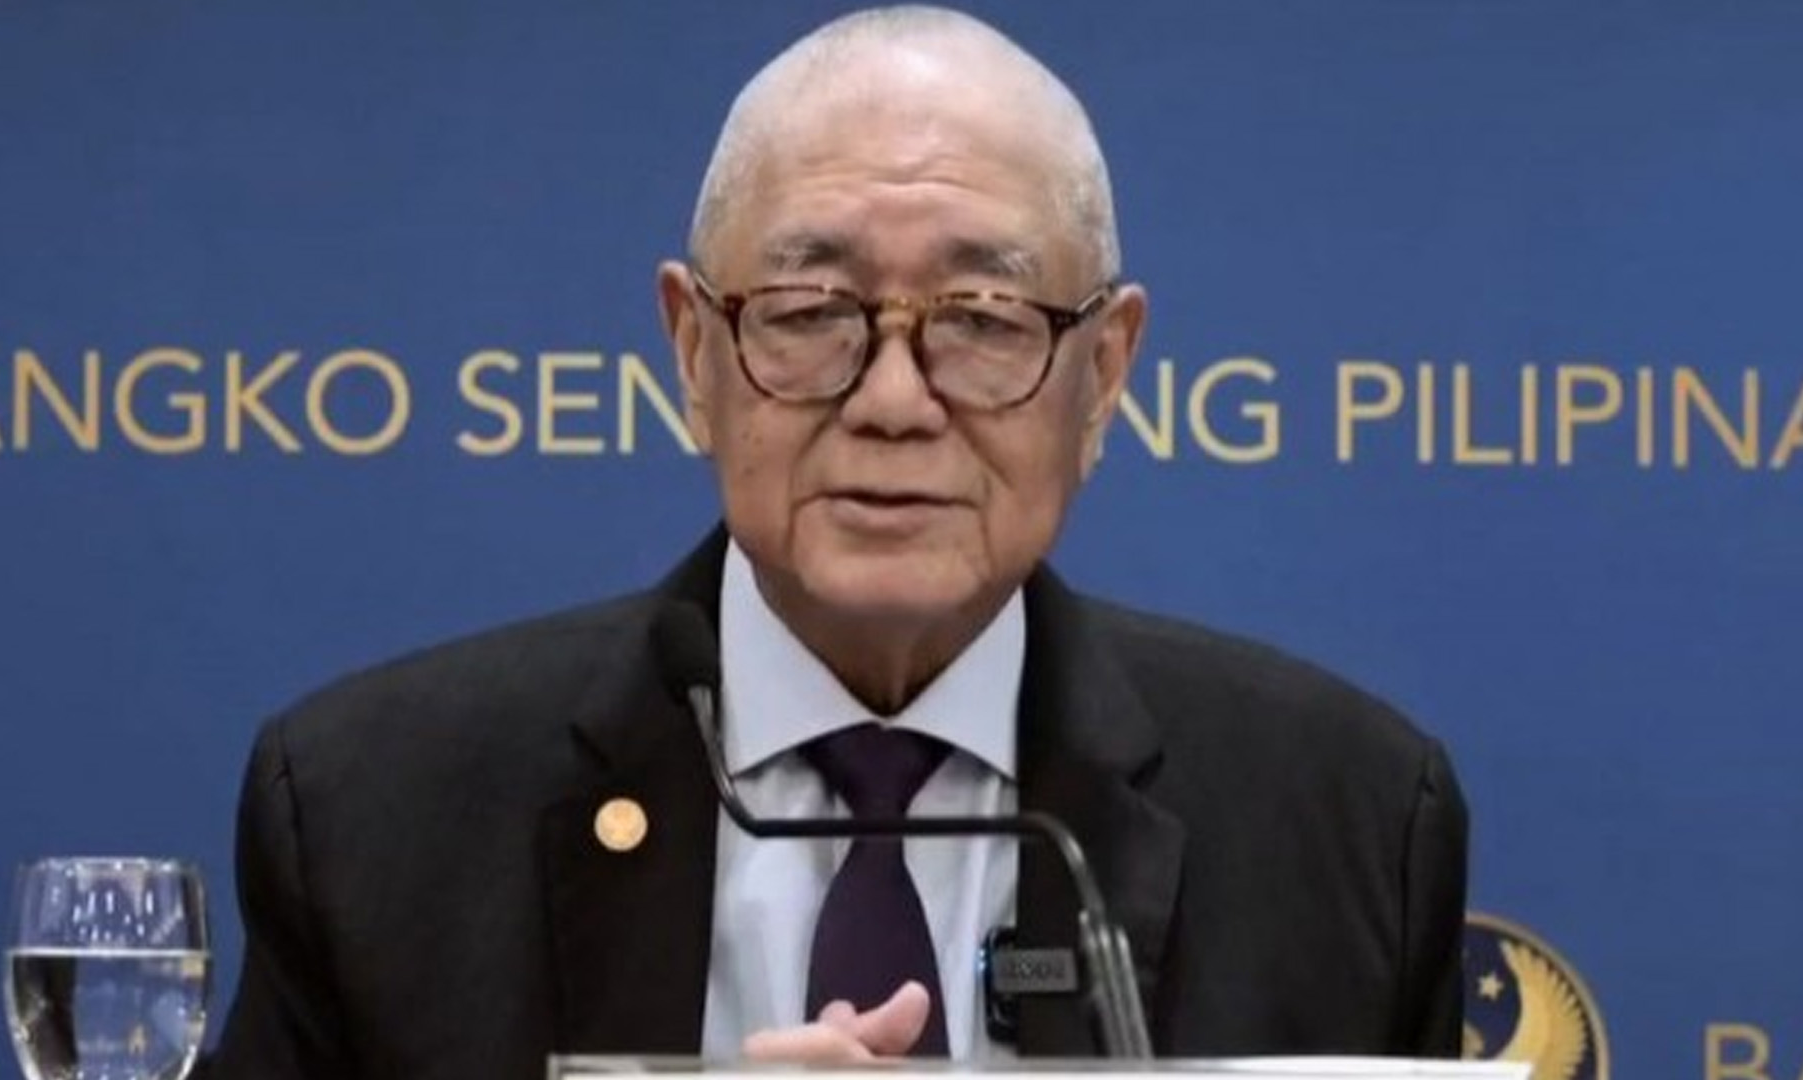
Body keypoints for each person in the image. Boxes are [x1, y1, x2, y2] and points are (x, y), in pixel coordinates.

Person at [211, 6, 1468, 1078]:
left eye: (983, 317)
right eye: (812, 311)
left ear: (1103, 376)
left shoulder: (1348, 826)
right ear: (694, 354)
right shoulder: (375, 820)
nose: (894, 401)